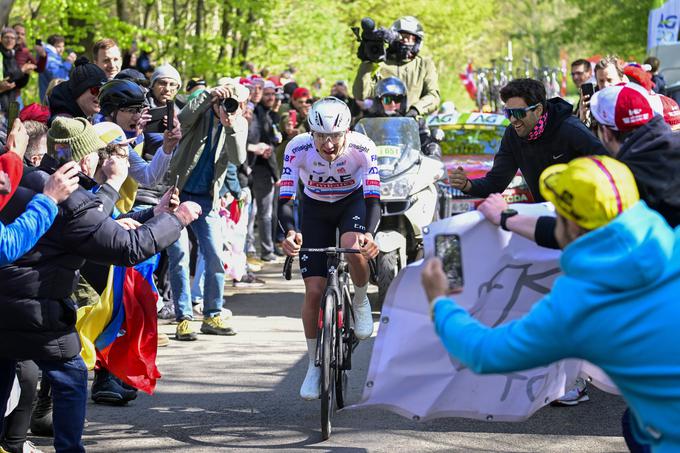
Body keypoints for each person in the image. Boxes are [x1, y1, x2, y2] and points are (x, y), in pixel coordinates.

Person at [422, 155, 680, 453]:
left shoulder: (580, 303)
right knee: (633, 425)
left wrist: (439, 302)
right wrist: (507, 217)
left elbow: (485, 352)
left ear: (570, 225)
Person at [0, 116, 200, 453]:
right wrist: (175, 220)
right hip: (38, 309)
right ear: (82, 158)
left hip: (10, 308)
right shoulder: (62, 195)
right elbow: (126, 248)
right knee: (70, 374)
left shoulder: (11, 185)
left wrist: (153, 215)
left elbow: (98, 225)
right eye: (95, 151)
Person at [278, 97, 380, 400]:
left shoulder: (363, 148)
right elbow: (285, 199)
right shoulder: (297, 147)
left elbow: (374, 198)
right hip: (315, 208)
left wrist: (370, 235)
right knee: (313, 291)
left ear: (347, 132)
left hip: (353, 203)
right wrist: (290, 232)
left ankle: (360, 301)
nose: (328, 143)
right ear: (311, 133)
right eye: (321, 135)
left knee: (353, 246)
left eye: (335, 136)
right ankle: (314, 365)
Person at [165, 79, 248, 341]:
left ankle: (212, 314)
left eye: (234, 102)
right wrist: (208, 97)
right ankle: (184, 318)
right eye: (225, 100)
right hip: (178, 193)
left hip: (207, 199)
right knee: (179, 256)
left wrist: (230, 125)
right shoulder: (199, 113)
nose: (228, 106)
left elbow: (238, 158)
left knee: (213, 256)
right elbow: (183, 118)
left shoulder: (238, 122)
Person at [448, 78, 607, 201]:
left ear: (538, 110)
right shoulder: (512, 135)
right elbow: (495, 183)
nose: (513, 120)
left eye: (518, 113)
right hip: (547, 215)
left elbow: (608, 167)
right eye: (508, 113)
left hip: (584, 215)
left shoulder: (570, 129)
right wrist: (467, 185)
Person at [353, 16, 439, 117]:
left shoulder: (424, 64)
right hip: (380, 123)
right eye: (402, 36)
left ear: (418, 42)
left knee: (435, 133)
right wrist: (366, 62)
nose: (406, 41)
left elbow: (433, 96)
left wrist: (416, 110)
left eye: (411, 38)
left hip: (412, 124)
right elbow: (361, 95)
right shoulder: (379, 63)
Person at [0, 27, 34, 114]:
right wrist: (22, 70)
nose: (9, 40)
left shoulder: (12, 55)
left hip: (12, 98)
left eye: (12, 38)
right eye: (6, 37)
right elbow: (7, 78)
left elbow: (19, 83)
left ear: (15, 41)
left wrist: (26, 74)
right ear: (1, 39)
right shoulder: (1, 54)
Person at [38, 35, 76, 102]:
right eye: (58, 46)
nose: (62, 49)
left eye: (63, 46)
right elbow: (57, 78)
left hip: (56, 98)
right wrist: (68, 63)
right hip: (52, 100)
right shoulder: (49, 58)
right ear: (51, 47)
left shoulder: (55, 57)